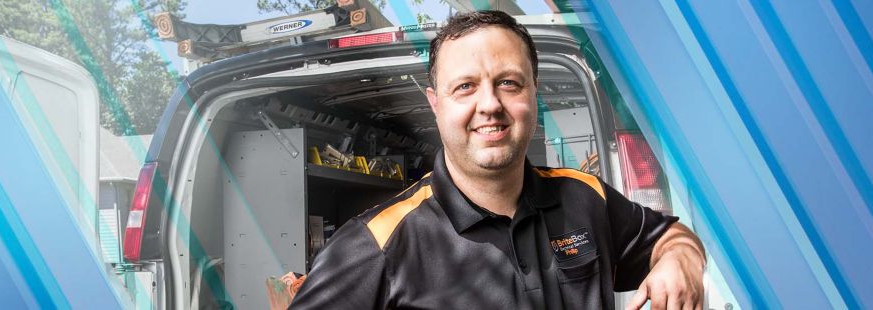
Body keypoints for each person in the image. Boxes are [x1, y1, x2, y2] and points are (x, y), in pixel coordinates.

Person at [287, 10, 709, 310]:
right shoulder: (376, 244)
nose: (489, 104)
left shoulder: (585, 196)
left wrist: (682, 261)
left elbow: (672, 237)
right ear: (436, 105)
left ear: (533, 93)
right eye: (466, 87)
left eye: (508, 82)